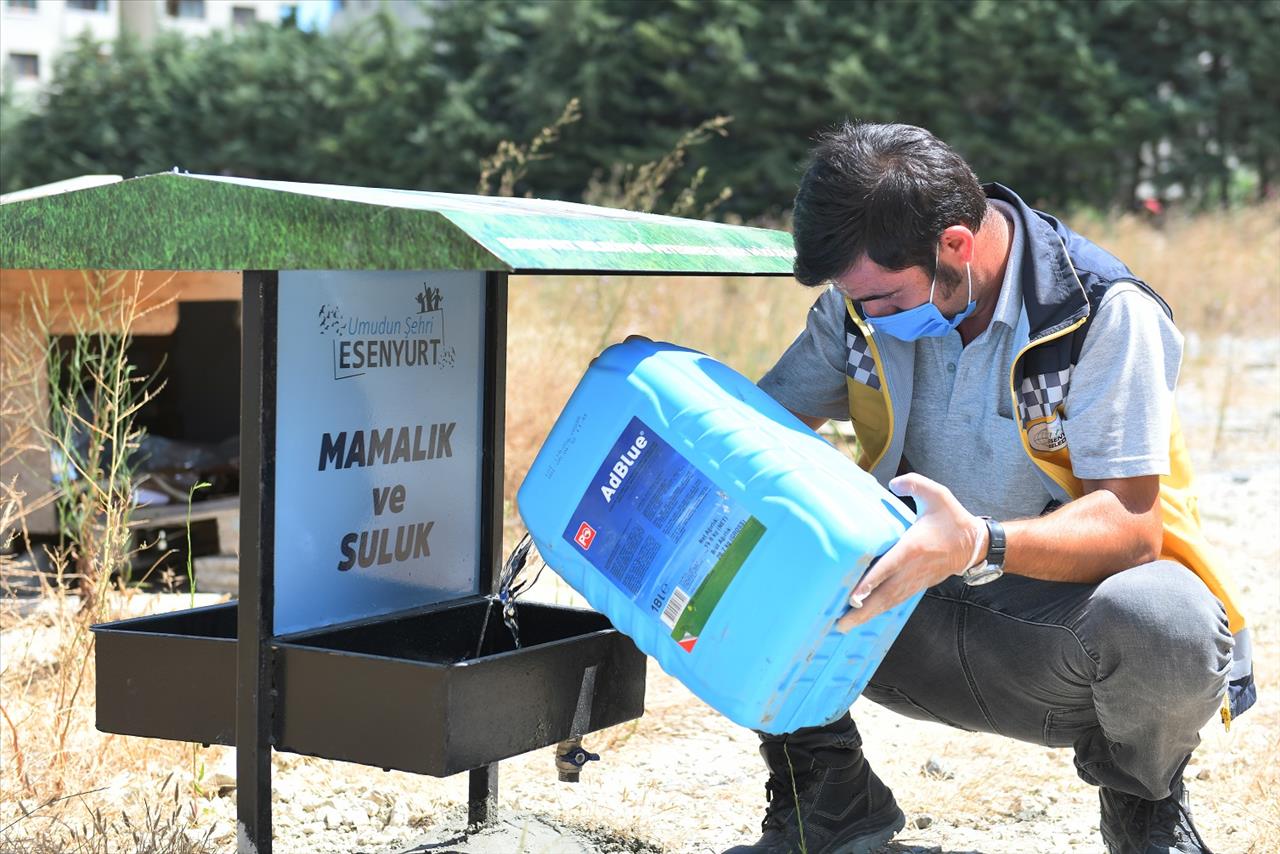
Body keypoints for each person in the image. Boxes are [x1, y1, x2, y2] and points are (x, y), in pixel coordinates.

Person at [731, 122, 1254, 854]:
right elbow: (753, 440)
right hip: (892, 616)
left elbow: (1133, 528)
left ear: (955, 246)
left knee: (1166, 617)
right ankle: (824, 797)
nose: (868, 315)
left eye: (882, 298)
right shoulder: (861, 304)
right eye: (856, 301)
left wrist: (977, 542)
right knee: (727, 527)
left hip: (1048, 644)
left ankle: (1144, 809)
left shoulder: (1102, 310)